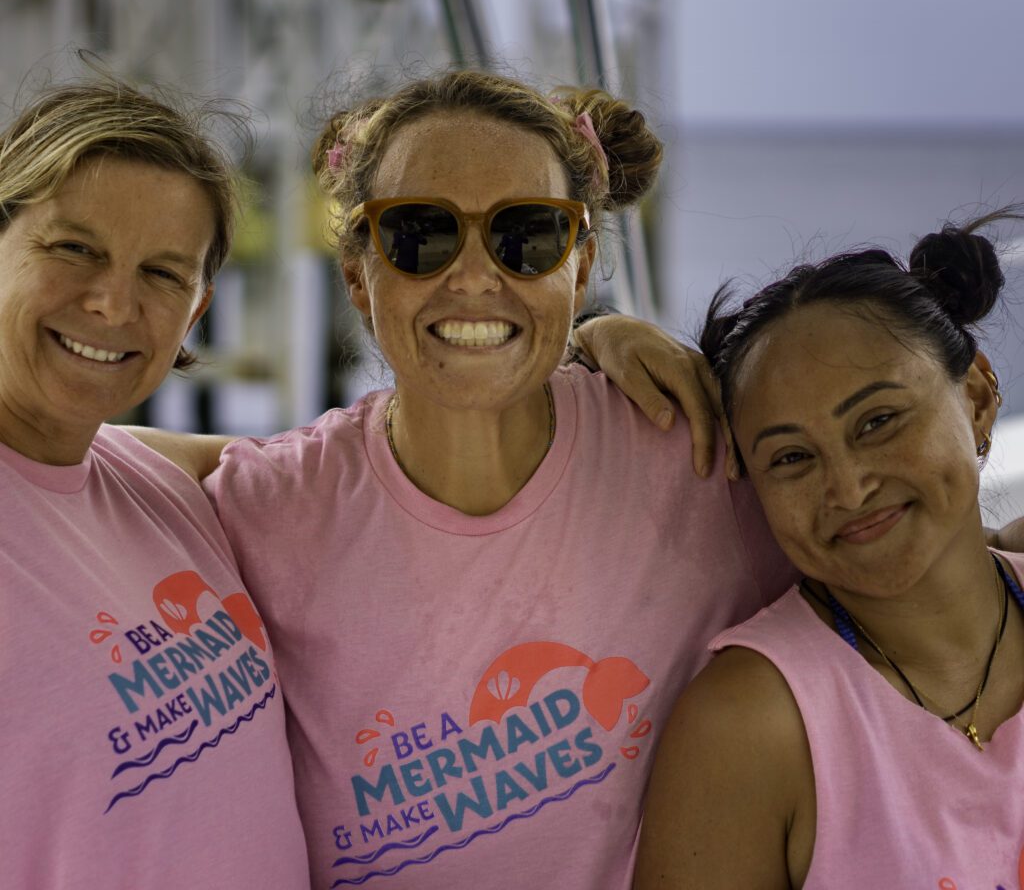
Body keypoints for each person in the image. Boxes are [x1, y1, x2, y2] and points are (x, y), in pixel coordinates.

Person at [184, 70, 797, 890]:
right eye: (418, 235)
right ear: (359, 278)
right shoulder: (270, 508)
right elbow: (76, 457)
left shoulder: (690, 453)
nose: (474, 276)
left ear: (578, 273)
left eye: (528, 236)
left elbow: (906, 561)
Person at [635, 211, 1024, 888]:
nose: (848, 487)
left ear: (978, 397)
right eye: (791, 457)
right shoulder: (751, 726)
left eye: (878, 421)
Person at [0, 80, 309, 887]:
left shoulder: (153, 477)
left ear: (197, 310)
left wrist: (597, 356)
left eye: (162, 274)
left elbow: (370, 466)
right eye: (75, 249)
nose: (112, 302)